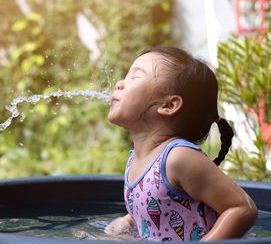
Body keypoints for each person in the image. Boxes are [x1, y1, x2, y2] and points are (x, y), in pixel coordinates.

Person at [104, 46, 257, 242]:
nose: (119, 83)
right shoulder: (137, 159)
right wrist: (128, 221)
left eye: (135, 77)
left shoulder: (178, 157)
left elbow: (242, 208)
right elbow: (158, 207)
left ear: (168, 105)